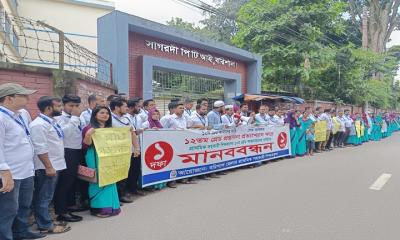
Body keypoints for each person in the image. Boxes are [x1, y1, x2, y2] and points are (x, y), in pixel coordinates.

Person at [0, 83, 46, 240]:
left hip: (26, 169)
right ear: (8, 98)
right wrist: (4, 172)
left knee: (24, 204)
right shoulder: (1, 117)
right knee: (8, 209)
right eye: (23, 95)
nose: (28, 98)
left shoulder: (22, 114)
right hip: (10, 172)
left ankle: (21, 232)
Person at [30, 96, 70, 234]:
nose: (61, 109)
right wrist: (48, 166)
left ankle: (46, 220)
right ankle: (45, 225)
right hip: (46, 166)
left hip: (56, 164)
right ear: (48, 108)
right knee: (44, 196)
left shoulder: (51, 121)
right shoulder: (38, 125)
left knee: (48, 196)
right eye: (58, 106)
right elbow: (40, 148)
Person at [82, 106, 121, 218]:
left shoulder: (110, 128)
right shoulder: (88, 128)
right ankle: (99, 209)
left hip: (109, 157)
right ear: (95, 115)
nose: (105, 115)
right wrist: (89, 134)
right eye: (102, 113)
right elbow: (85, 145)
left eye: (107, 113)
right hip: (94, 156)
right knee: (97, 180)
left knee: (110, 179)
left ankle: (112, 207)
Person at [53, 94, 83, 223]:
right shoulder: (59, 118)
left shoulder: (77, 117)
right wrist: (75, 118)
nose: (74, 108)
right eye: (71, 105)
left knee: (72, 180)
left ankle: (69, 205)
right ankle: (61, 212)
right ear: (64, 105)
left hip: (77, 150)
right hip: (66, 151)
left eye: (76, 105)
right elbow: (64, 134)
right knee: (65, 182)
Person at [110, 98, 140, 203]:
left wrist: (136, 148)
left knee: (124, 173)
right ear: (117, 107)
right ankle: (114, 197)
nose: (127, 108)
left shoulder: (126, 119)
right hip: (113, 152)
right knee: (114, 175)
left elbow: (132, 134)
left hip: (126, 151)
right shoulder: (109, 119)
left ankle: (121, 195)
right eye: (124, 106)